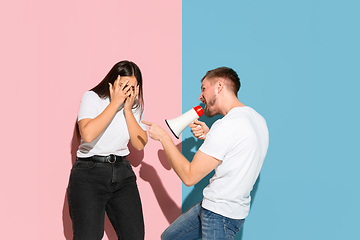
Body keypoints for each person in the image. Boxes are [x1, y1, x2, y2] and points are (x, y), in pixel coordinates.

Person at [142, 66, 269, 240]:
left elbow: (189, 176)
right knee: (170, 237)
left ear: (219, 85)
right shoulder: (256, 119)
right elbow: (240, 152)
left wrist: (164, 138)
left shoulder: (226, 126)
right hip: (221, 208)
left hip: (219, 214)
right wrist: (210, 137)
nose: (200, 96)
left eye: (203, 88)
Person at [67, 60, 148, 240]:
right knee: (88, 236)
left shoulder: (134, 106)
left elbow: (140, 143)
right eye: (123, 86)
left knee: (135, 236)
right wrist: (115, 103)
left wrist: (127, 109)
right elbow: (87, 134)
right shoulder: (92, 97)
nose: (127, 91)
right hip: (89, 174)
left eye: (132, 87)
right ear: (112, 82)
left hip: (123, 174)